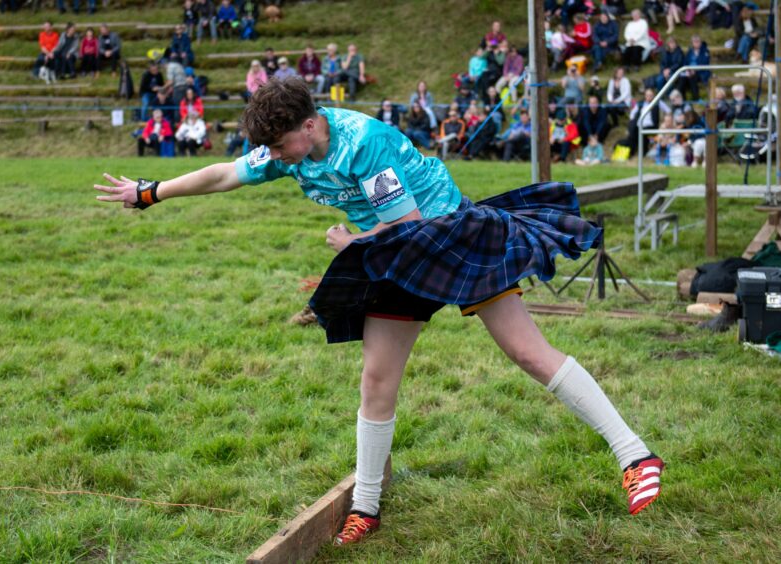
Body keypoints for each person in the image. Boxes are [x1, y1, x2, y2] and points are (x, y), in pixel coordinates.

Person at [95, 78, 664, 547]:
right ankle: (365, 506)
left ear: (310, 125)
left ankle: (636, 456)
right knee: (376, 378)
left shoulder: (362, 142)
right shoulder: (286, 150)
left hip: (447, 235)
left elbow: (410, 224)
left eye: (279, 144)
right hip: (392, 252)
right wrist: (153, 192)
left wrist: (353, 241)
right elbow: (224, 173)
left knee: (526, 352)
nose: (272, 157)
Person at [682, 35, 711, 101]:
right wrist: (687, 70)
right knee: (682, 78)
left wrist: (695, 70)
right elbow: (685, 62)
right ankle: (682, 99)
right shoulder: (690, 51)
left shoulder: (705, 51)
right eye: (694, 42)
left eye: (698, 42)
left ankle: (696, 98)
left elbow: (705, 63)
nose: (696, 43)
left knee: (692, 77)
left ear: (700, 42)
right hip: (689, 71)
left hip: (702, 73)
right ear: (692, 43)